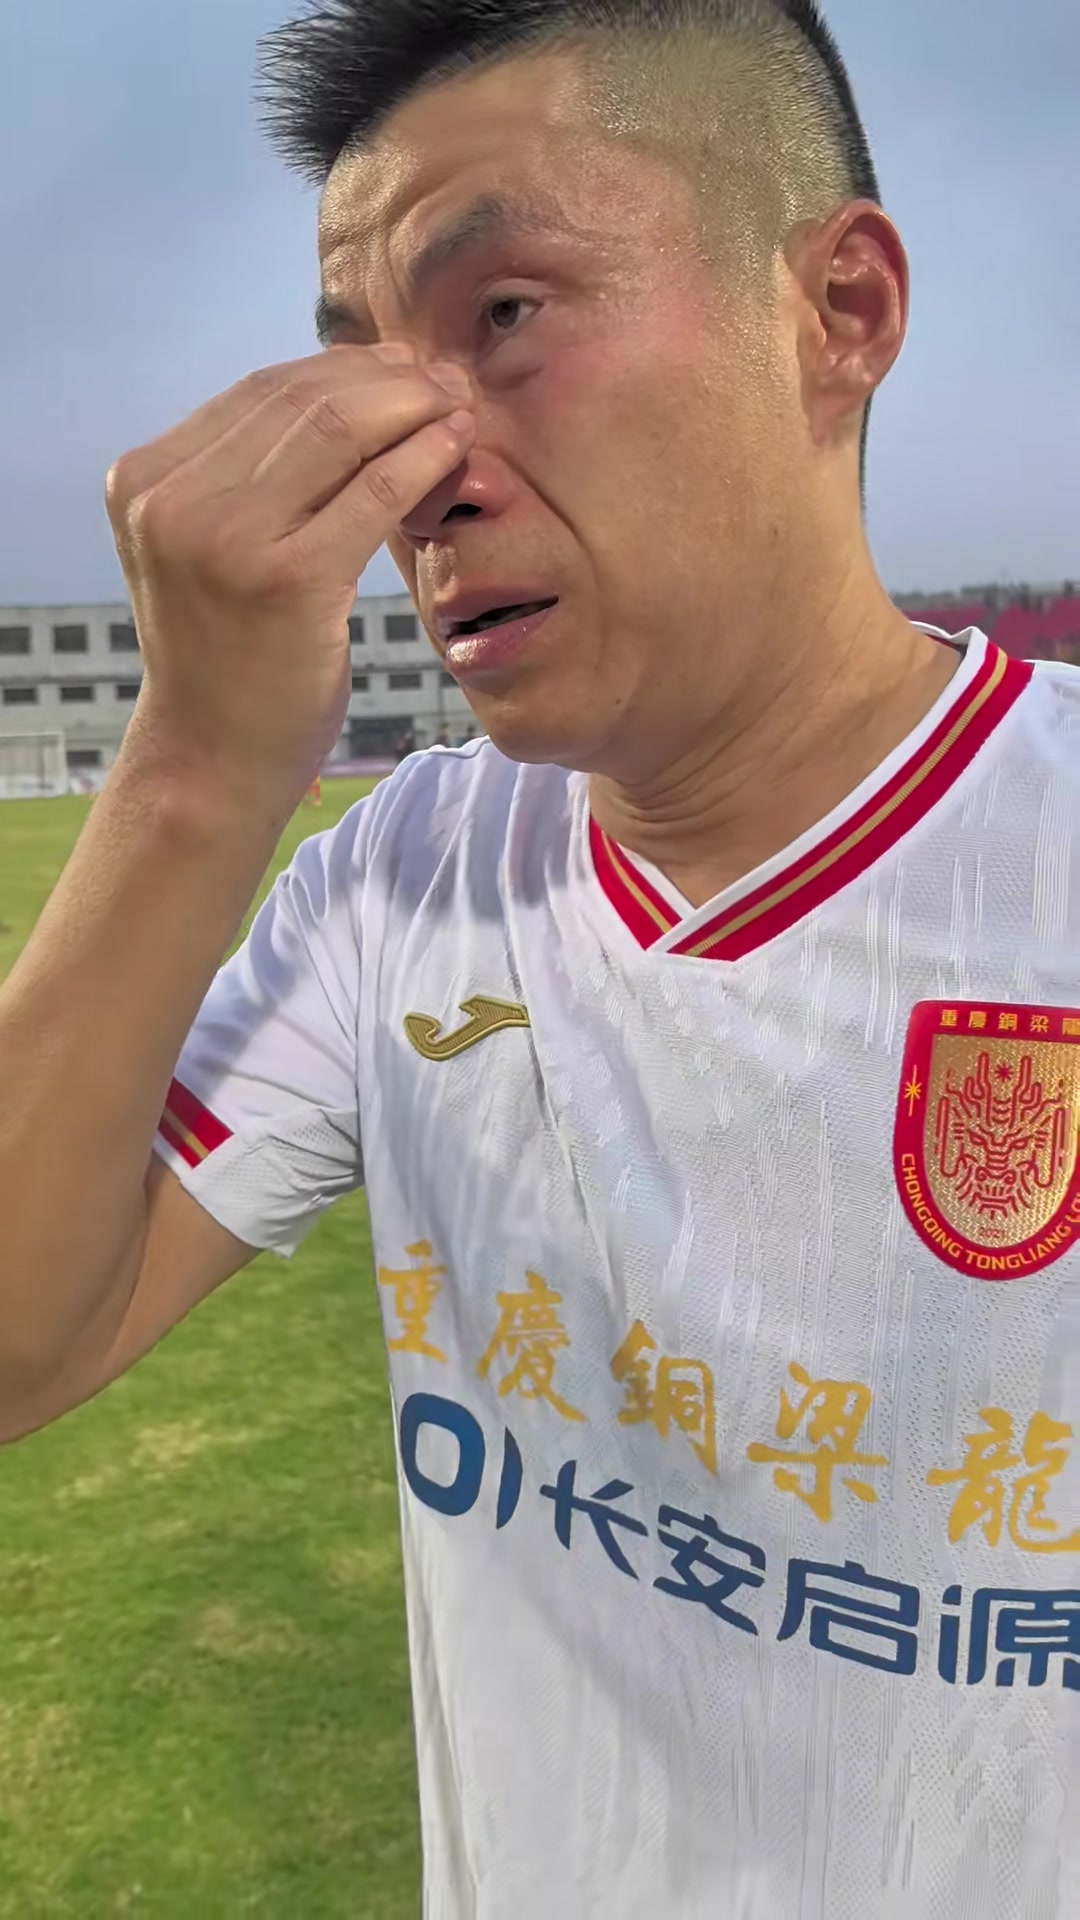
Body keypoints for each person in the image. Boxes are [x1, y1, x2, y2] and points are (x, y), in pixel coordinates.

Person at [1, 1, 1076, 1914]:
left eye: (503, 314)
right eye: (364, 375)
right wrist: (192, 770)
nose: (413, 472)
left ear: (838, 312)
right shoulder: (400, 883)